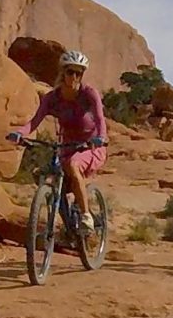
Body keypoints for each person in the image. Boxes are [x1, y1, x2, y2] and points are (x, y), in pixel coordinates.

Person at [11, 51, 106, 233]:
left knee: (73, 165)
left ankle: (86, 216)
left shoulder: (88, 94)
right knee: (44, 176)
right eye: (71, 72)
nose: (74, 77)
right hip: (67, 147)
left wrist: (100, 138)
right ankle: (69, 228)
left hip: (91, 146)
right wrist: (19, 133)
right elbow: (34, 121)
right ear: (63, 73)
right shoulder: (52, 98)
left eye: (79, 73)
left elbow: (100, 119)